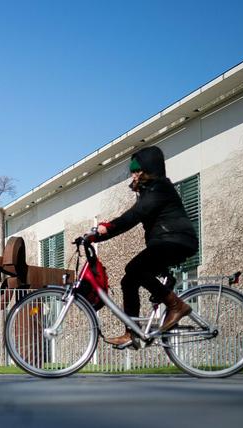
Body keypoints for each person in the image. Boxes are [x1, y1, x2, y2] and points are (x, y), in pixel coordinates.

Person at [88, 146, 199, 347]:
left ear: (150, 169)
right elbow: (135, 216)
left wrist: (107, 228)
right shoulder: (149, 192)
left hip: (177, 241)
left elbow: (134, 215)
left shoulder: (160, 188)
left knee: (134, 268)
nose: (134, 174)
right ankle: (132, 333)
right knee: (128, 280)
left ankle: (176, 305)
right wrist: (98, 237)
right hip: (166, 242)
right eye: (132, 170)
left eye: (137, 169)